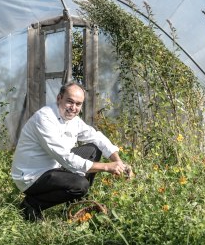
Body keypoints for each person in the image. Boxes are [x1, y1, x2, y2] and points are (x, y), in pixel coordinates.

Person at [11, 81, 128, 221]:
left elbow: (96, 137)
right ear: (59, 98)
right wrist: (106, 167)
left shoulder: (74, 120)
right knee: (80, 185)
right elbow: (65, 157)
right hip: (32, 176)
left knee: (93, 149)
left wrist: (118, 162)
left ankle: (73, 204)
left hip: (53, 168)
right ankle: (32, 205)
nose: (73, 108)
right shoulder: (44, 118)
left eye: (78, 104)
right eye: (70, 102)